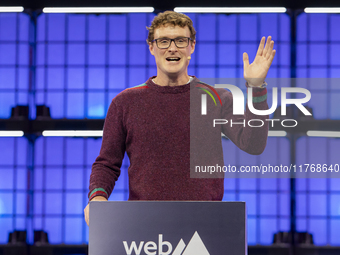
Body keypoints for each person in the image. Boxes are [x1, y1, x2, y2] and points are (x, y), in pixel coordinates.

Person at [84, 11, 276, 225]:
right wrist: (97, 198)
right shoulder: (125, 102)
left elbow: (253, 144)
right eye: (164, 41)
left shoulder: (217, 98)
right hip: (143, 227)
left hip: (205, 223)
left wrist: (256, 87)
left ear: (191, 47)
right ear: (151, 47)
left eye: (180, 41)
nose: (172, 48)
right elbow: (107, 163)